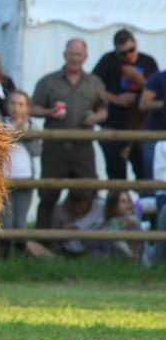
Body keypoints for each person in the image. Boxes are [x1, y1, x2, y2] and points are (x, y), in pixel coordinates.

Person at [31, 38, 108, 229]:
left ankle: (86, 239)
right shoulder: (48, 81)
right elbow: (33, 108)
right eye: (72, 54)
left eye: (79, 54)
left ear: (85, 57)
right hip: (54, 148)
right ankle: (43, 242)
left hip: (83, 147)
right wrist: (49, 112)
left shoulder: (95, 82)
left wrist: (95, 117)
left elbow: (104, 110)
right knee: (48, 194)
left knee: (90, 191)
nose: (75, 58)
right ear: (64, 55)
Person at [92, 29, 159, 183]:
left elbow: (158, 91)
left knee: (145, 176)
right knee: (116, 178)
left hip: (142, 129)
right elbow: (91, 88)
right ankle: (117, 206)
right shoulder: (108, 61)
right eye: (123, 53)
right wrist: (116, 99)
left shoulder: (148, 61)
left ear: (136, 44)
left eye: (131, 50)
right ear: (116, 51)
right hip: (114, 127)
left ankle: (142, 206)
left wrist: (139, 80)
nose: (128, 55)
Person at [0, 90, 41, 259]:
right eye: (13, 103)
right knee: (6, 220)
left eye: (21, 104)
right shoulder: (0, 124)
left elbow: (37, 151)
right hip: (3, 178)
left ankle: (20, 259)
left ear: (27, 108)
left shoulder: (32, 126)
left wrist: (23, 134)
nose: (16, 108)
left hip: (25, 177)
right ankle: (3, 258)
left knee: (20, 221)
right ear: (7, 105)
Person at [138, 67, 166, 180]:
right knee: (152, 173)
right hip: (156, 135)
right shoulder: (159, 78)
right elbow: (143, 104)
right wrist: (163, 104)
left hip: (156, 136)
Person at [103, 190, 142, 260]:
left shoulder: (134, 221)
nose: (128, 204)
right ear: (114, 205)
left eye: (129, 200)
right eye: (122, 201)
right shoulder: (111, 224)